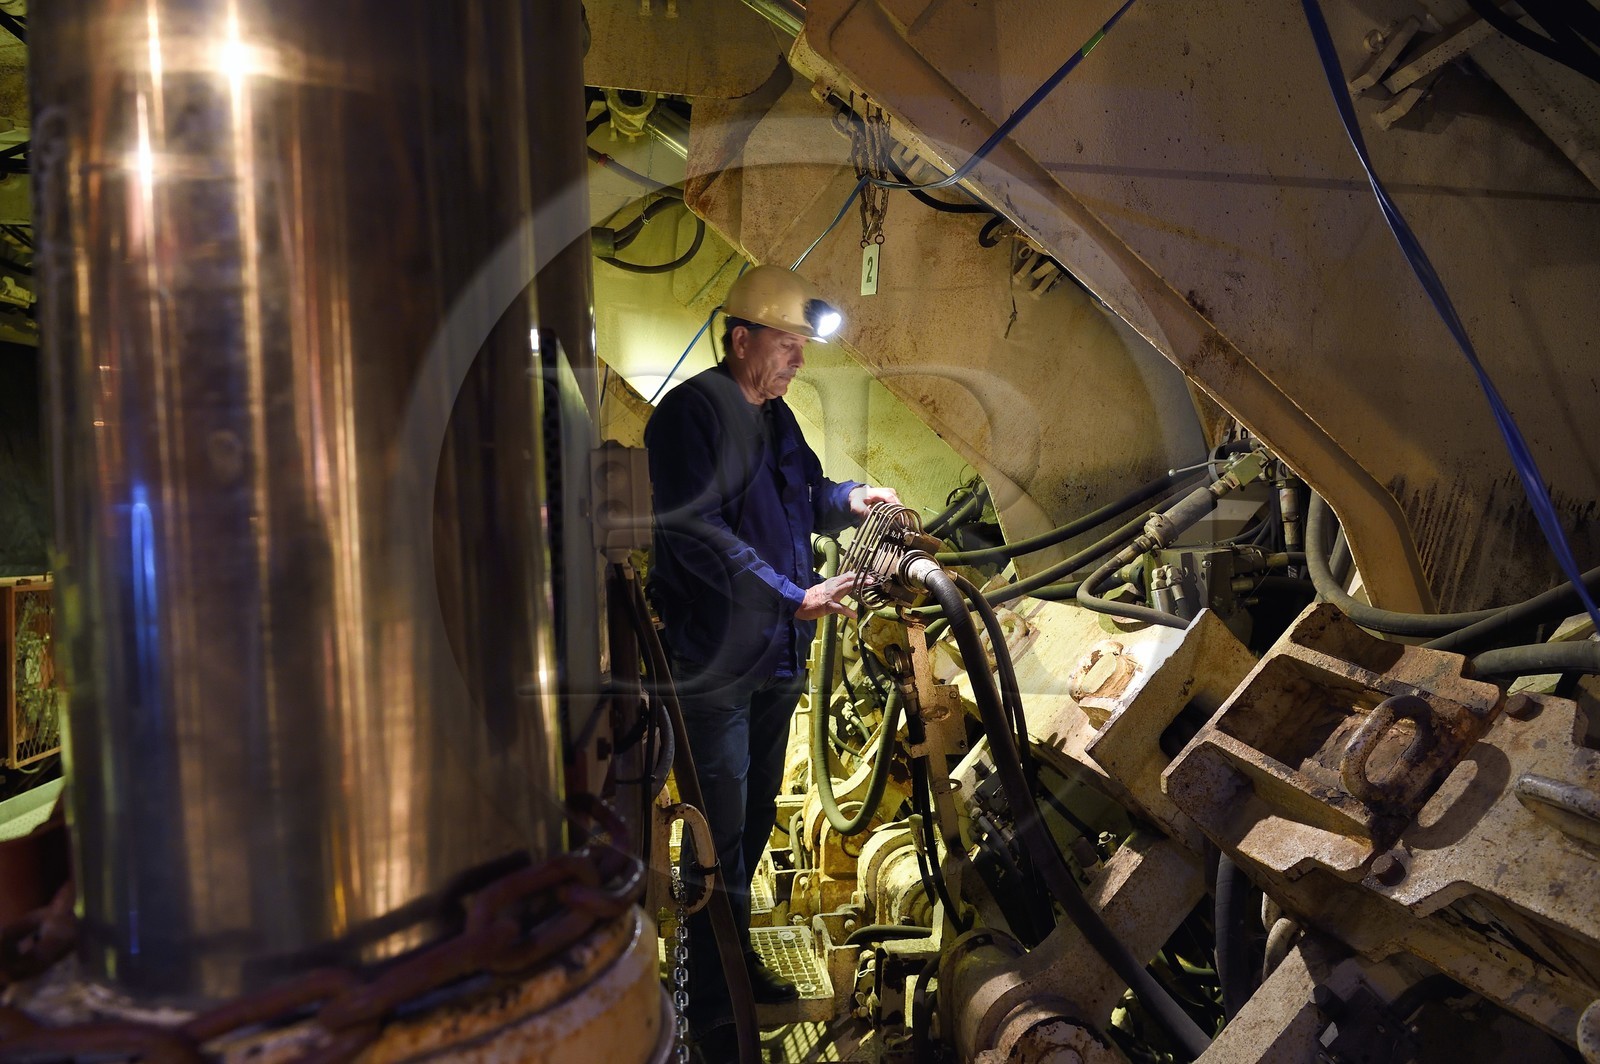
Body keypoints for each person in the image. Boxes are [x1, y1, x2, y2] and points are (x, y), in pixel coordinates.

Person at [644, 265, 899, 1060]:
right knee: (717, 829)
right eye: (785, 347)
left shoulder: (778, 419)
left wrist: (853, 496)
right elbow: (699, 536)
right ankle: (704, 999)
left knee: (752, 823)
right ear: (742, 338)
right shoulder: (688, 419)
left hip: (774, 662)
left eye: (799, 350)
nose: (795, 362)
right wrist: (793, 595)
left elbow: (809, 492)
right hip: (716, 664)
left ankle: (727, 965)